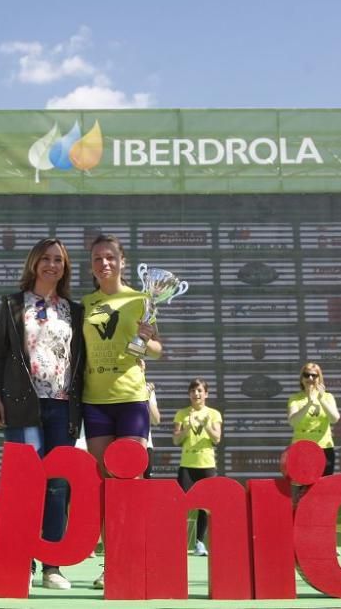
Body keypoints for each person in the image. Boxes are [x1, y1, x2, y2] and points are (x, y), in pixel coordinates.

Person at [0, 237, 84, 590]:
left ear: (65, 267)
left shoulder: (75, 310)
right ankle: (21, 561)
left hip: (63, 406)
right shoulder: (13, 304)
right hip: (22, 405)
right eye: (45, 258)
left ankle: (52, 565)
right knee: (26, 483)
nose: (51, 265)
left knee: (58, 485)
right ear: (33, 263)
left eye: (58, 260)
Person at [81, 234, 161, 588]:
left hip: (131, 400)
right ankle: (111, 562)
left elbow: (155, 349)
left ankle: (137, 556)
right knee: (105, 486)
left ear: (123, 261)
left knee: (131, 482)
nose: (104, 264)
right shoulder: (85, 304)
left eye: (110, 257)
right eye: (98, 258)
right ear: (91, 265)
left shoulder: (141, 299)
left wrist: (144, 341)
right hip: (95, 402)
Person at [173, 378, 222, 557]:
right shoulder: (182, 414)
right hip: (187, 465)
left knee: (205, 505)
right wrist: (187, 428)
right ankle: (177, 542)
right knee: (180, 504)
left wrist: (205, 425)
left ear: (206, 394)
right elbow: (176, 439)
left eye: (200, 391)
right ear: (189, 394)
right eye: (193, 391)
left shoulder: (214, 414)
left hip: (206, 464)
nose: (197, 394)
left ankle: (200, 543)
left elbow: (217, 438)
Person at [287, 362, 341, 476]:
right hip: (301, 449)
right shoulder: (295, 398)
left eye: (314, 375)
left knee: (324, 487)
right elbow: (293, 421)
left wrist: (321, 400)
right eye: (306, 375)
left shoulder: (327, 397)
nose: (310, 378)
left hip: (324, 448)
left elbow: (334, 419)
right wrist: (308, 404)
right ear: (301, 379)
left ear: (319, 379)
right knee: (302, 485)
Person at [138, 357, 163, 479]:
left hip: (145, 444)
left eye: (140, 367)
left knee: (145, 487)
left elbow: (156, 420)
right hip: (122, 444)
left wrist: (146, 397)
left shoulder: (148, 390)